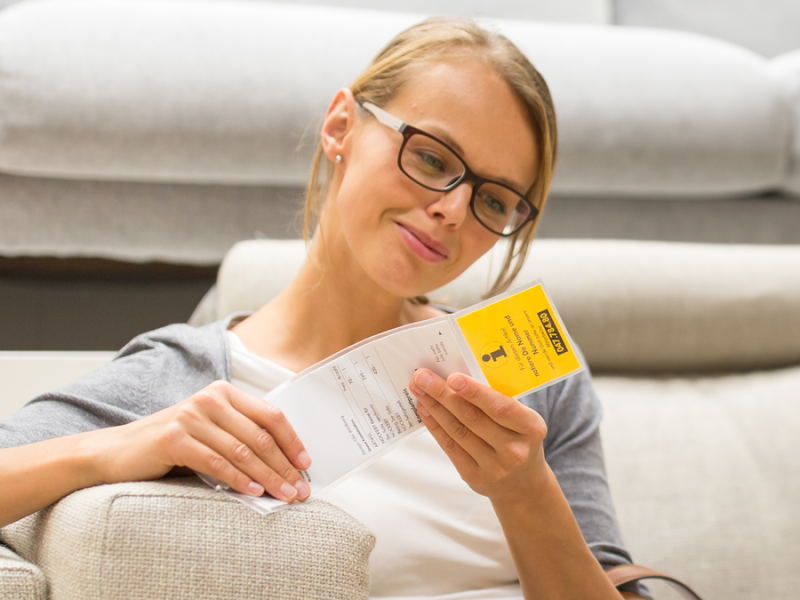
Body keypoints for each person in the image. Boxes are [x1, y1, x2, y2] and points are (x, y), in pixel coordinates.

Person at [0, 17, 643, 600]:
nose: (453, 208)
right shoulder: (186, 379)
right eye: (430, 157)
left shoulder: (530, 374)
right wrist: (118, 447)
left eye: (496, 201)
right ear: (341, 127)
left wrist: (526, 495)